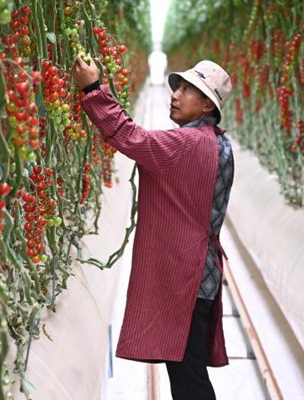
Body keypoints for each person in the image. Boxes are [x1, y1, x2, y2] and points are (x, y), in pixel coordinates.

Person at [72, 56, 234, 400]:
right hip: (201, 275)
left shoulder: (188, 144)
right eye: (178, 86)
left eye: (189, 90)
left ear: (207, 105)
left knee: (189, 381)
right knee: (187, 373)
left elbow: (131, 137)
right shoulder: (219, 144)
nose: (175, 94)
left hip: (187, 280)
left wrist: (93, 89)